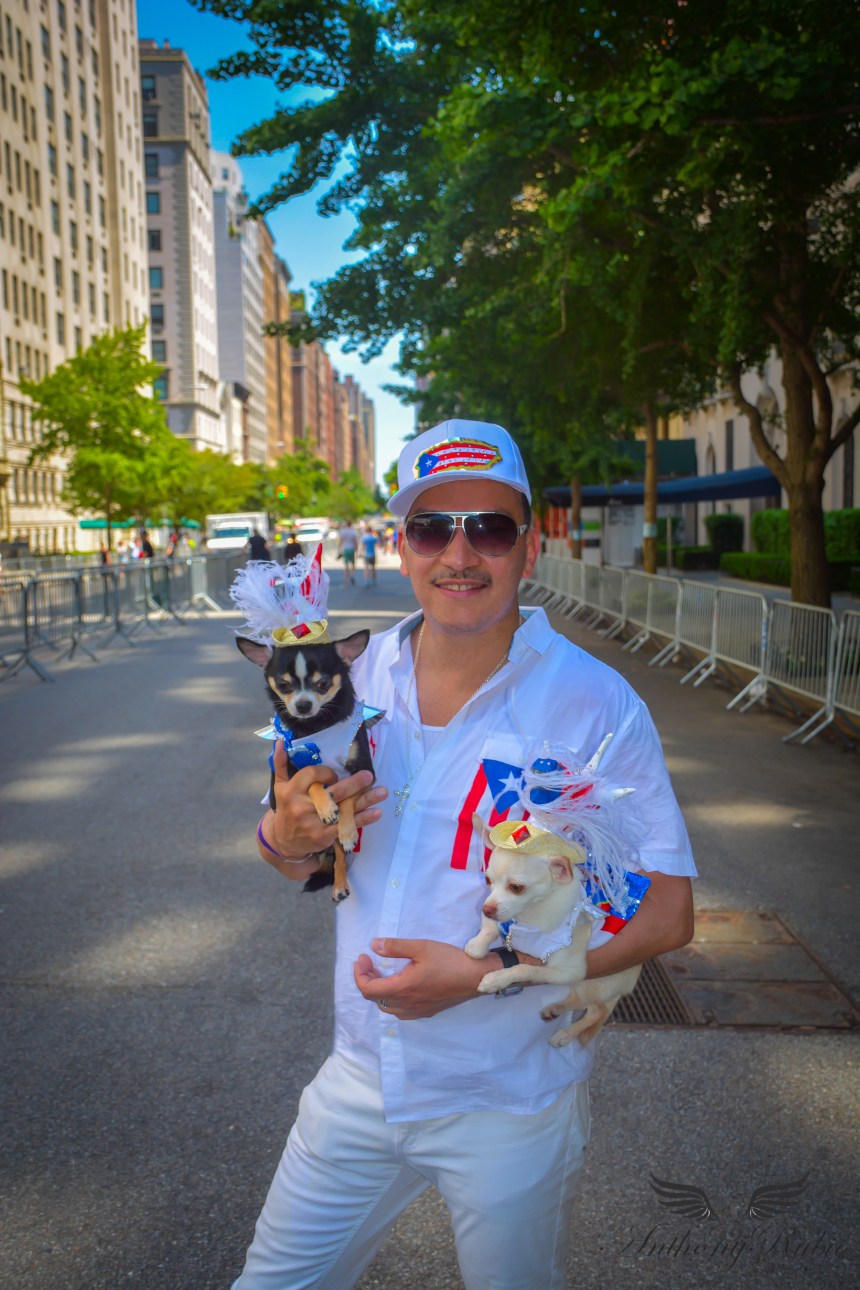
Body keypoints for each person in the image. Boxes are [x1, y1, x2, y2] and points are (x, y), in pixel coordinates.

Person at [236, 419, 696, 1290]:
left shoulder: (597, 705)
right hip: (360, 1080)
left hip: (511, 1099)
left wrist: (489, 975)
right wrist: (281, 837)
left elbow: (669, 915)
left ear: (531, 544)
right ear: (401, 547)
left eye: (489, 526)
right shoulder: (345, 679)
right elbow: (290, 850)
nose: (460, 553)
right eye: (430, 527)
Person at [337, 520, 358, 585]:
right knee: (353, 564)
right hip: (351, 548)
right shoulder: (353, 532)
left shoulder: (342, 532)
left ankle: (346, 580)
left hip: (345, 549)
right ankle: (352, 575)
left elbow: (341, 541)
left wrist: (339, 549)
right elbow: (355, 542)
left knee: (346, 565)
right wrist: (357, 550)